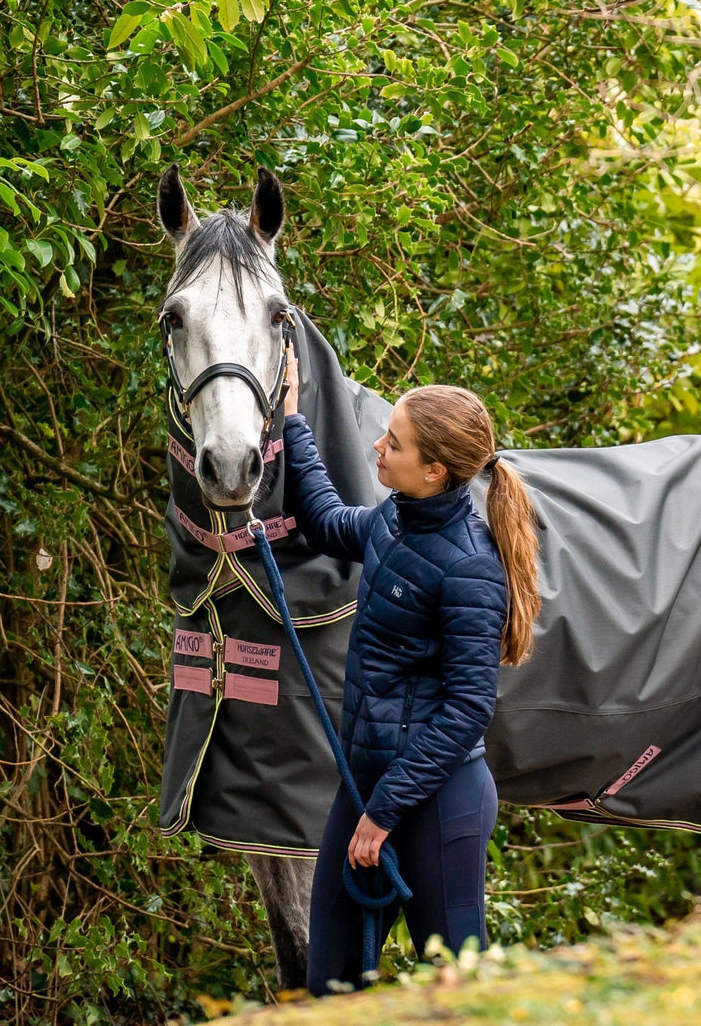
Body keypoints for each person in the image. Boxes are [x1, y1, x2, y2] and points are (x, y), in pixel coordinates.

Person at [281, 346, 541, 996]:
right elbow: (324, 521)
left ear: (433, 470)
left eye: (393, 443)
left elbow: (468, 710)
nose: (378, 447)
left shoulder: (470, 569)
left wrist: (385, 812)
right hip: (365, 785)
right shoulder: (392, 520)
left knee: (455, 987)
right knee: (330, 987)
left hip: (438, 801)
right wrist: (290, 421)